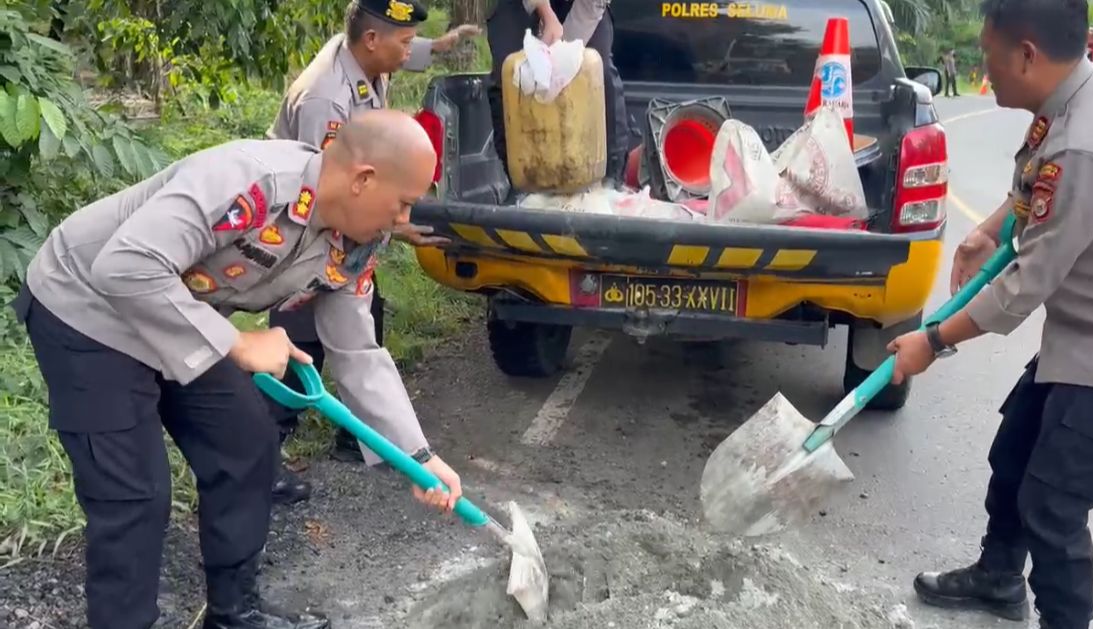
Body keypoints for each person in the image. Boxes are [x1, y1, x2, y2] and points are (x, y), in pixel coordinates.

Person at [11, 109, 465, 629]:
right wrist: (237, 343)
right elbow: (124, 265)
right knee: (135, 493)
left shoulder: (359, 238)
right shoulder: (250, 181)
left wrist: (418, 455)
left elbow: (357, 350)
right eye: (403, 203)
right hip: (87, 310)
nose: (404, 220)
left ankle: (232, 614)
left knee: (247, 445)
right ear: (363, 179)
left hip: (179, 314)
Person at [885, 1, 1093, 628]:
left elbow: (1025, 284)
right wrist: (986, 230)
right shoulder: (1065, 105)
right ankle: (997, 579)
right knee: (1015, 450)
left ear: (1027, 55)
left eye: (990, 56)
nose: (986, 71)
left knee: (1054, 502)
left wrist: (931, 341)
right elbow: (1031, 195)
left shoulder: (1089, 140)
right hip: (1088, 329)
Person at [265, 0, 478, 505]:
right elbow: (334, 195)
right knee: (294, 346)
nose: (409, 51)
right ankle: (259, 459)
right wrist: (399, 229)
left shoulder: (365, 61)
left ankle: (363, 434)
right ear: (371, 42)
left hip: (347, 231)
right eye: (403, 43)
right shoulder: (327, 99)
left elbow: (362, 196)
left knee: (363, 323)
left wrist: (438, 47)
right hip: (298, 236)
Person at [485, 0, 631, 185]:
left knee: (597, 70)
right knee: (508, 73)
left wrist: (562, 55)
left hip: (580, 6)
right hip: (520, 5)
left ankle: (611, 178)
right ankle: (521, 182)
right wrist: (546, 14)